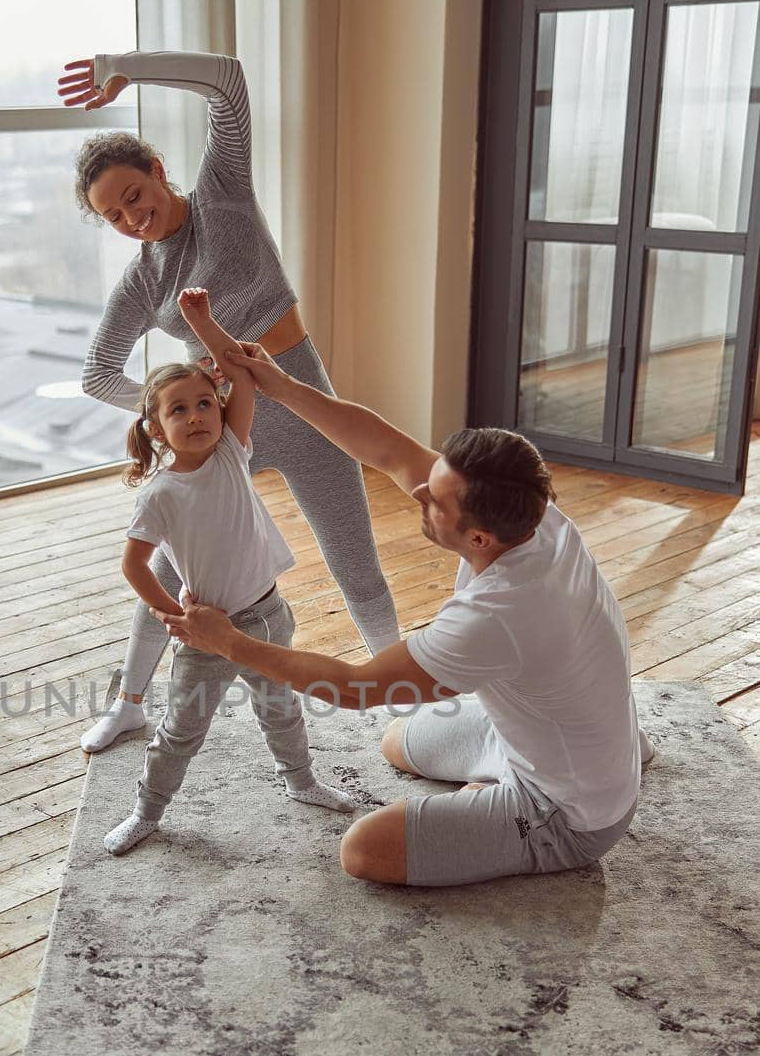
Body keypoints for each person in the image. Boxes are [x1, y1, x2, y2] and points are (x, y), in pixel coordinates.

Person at [158, 341, 656, 889]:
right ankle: (521, 773)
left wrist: (227, 641)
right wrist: (278, 384)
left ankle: (520, 811)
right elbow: (387, 450)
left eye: (435, 501)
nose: (418, 490)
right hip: (552, 736)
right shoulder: (533, 511)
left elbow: (355, 689)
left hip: (571, 811)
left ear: (478, 537)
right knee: (399, 742)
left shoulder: (497, 614)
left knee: (365, 849)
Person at [58, 49, 400, 756]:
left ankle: (398, 692)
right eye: (111, 215)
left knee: (353, 558)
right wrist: (178, 406)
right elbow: (96, 373)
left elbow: (227, 82)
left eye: (132, 195)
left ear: (156, 169)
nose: (130, 217)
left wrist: (124, 67)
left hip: (302, 402)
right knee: (170, 575)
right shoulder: (142, 282)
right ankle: (128, 705)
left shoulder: (222, 192)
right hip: (220, 434)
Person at [104, 288, 354, 856]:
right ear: (154, 427)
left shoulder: (230, 453)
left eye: (203, 405)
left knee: (281, 709)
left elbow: (245, 377)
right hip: (208, 635)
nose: (195, 417)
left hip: (268, 616)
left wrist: (204, 322)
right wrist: (174, 617)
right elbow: (134, 565)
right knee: (180, 733)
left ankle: (302, 783)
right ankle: (147, 812)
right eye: (178, 410)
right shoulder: (161, 494)